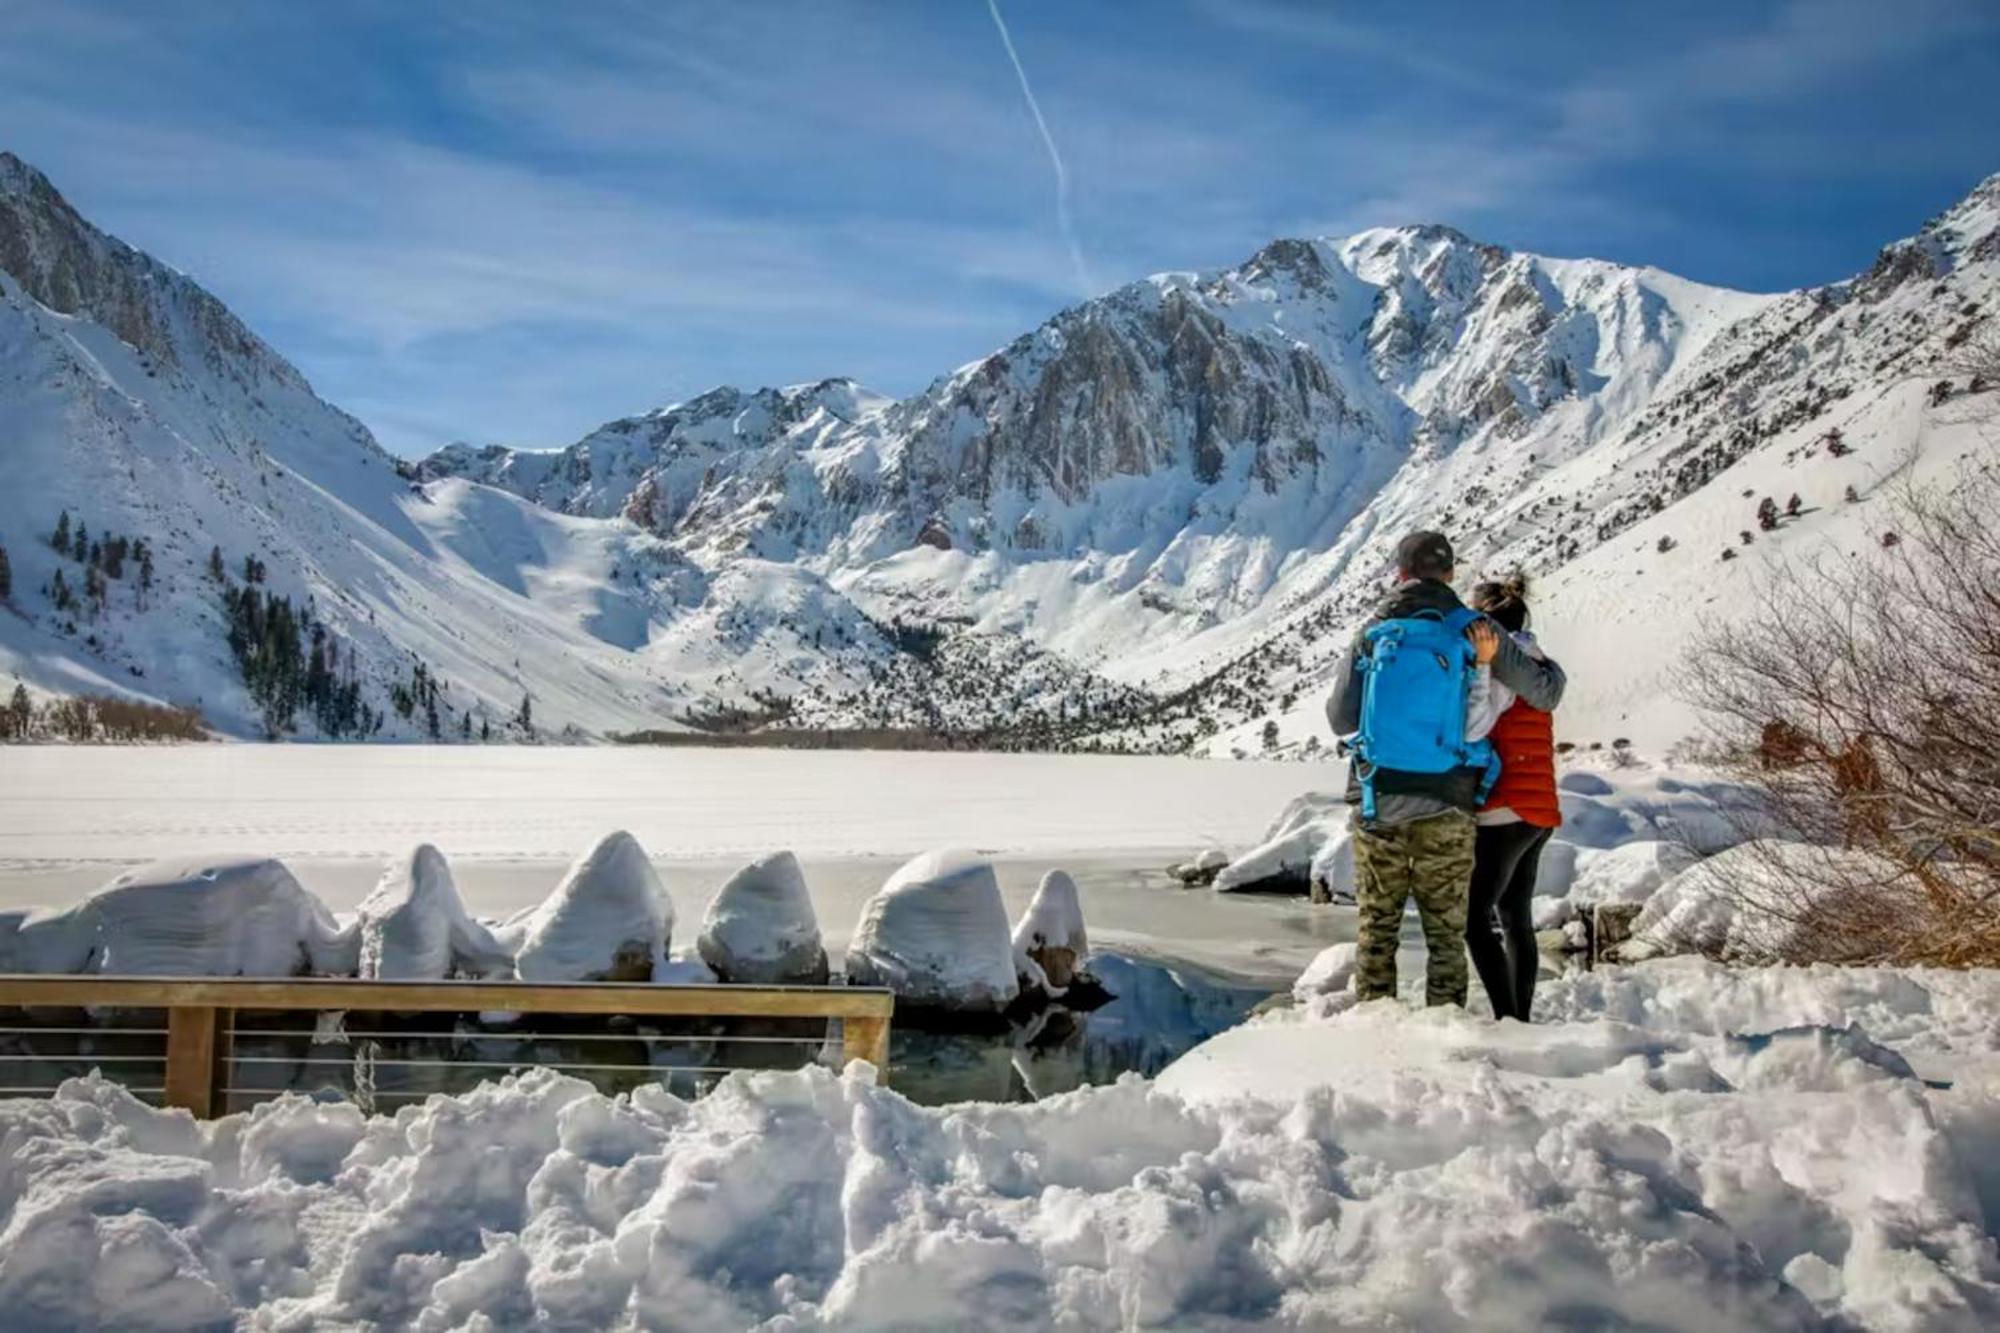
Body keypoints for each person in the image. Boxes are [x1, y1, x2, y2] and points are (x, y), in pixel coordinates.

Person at [1326, 532, 1566, 1007]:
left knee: (1378, 928)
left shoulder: (1372, 631)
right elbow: (1543, 693)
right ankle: (1445, 1033)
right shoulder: (1477, 629)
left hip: (1379, 798)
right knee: (1447, 932)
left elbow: (1341, 718)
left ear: (1400, 573)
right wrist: (1548, 670)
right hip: (1450, 800)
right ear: (1451, 573)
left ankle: (1374, 1032)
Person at [1462, 574, 1563, 1021]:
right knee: (1514, 914)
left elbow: (1476, 724)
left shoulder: (1502, 667)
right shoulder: (1539, 665)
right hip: (1539, 807)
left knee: (1473, 919)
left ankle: (1507, 1018)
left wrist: (1480, 667)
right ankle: (1520, 1015)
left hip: (1505, 808)